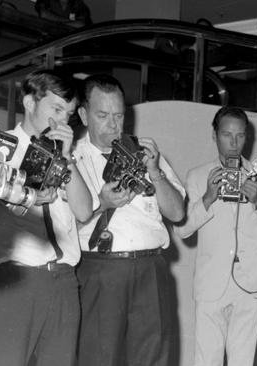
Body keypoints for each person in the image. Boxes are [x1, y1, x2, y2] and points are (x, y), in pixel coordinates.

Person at [74, 74, 185, 366]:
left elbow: (177, 213)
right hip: (100, 270)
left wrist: (155, 172)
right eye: (103, 115)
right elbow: (60, 227)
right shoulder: (73, 159)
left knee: (153, 359)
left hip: (151, 269)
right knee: (98, 358)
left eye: (119, 115)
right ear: (84, 115)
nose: (113, 124)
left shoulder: (146, 153)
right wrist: (101, 204)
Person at [0, 69, 93, 366]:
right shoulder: (0, 147)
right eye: (56, 109)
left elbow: (84, 211)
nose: (62, 120)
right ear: (30, 103)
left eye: (69, 113)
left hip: (63, 280)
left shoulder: (67, 156)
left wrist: (67, 156)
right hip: (15, 277)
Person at [174, 106, 257, 366]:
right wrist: (207, 198)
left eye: (240, 136)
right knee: (206, 361)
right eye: (227, 135)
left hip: (251, 286)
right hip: (210, 285)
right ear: (214, 135)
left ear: (247, 137)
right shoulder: (197, 175)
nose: (234, 143)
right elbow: (182, 229)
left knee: (243, 362)